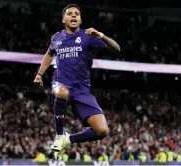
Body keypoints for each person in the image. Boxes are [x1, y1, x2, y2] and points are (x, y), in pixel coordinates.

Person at [33, 4, 120, 159]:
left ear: (80, 19)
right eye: (70, 14)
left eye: (77, 14)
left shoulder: (88, 37)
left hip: (82, 91)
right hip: (60, 83)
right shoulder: (57, 37)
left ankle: (68, 139)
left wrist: (100, 35)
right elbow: (49, 54)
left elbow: (116, 48)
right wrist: (39, 74)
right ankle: (59, 135)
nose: (74, 16)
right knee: (62, 91)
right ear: (63, 19)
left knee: (102, 131)